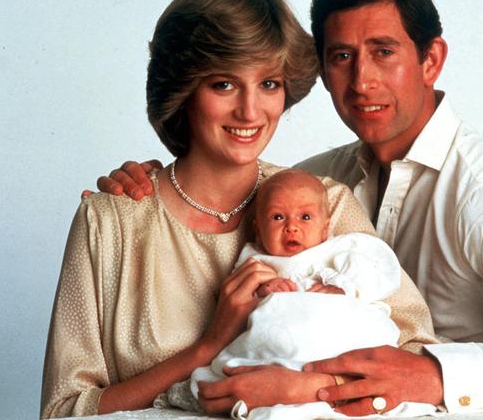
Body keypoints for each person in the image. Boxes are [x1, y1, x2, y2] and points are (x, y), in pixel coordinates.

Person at [96, 0, 483, 414]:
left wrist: (438, 377)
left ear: (432, 59)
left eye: (384, 51)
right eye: (342, 56)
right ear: (321, 72)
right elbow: (226, 186)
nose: (362, 81)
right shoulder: (317, 182)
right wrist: (149, 181)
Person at [41, 0, 435, 419]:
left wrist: (311, 387)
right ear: (183, 90)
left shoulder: (325, 202)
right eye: (223, 84)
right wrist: (206, 347)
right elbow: (63, 411)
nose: (251, 112)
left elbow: (417, 357)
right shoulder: (110, 221)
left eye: (268, 84)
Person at [158, 169, 437, 419]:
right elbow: (235, 302)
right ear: (258, 230)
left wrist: (344, 287)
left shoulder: (338, 249)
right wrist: (265, 289)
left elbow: (381, 271)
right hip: (281, 342)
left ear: (325, 227)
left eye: (305, 217)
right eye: (278, 217)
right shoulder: (256, 259)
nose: (292, 227)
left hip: (339, 333)